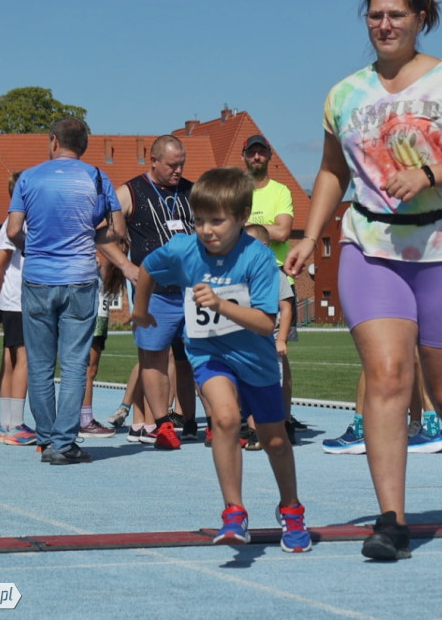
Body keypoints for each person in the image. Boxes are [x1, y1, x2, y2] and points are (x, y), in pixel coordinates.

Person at [284, 0, 442, 561]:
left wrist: (430, 174)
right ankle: (392, 521)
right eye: (375, 16)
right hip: (371, 246)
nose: (384, 25)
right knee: (386, 376)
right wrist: (310, 235)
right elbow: (333, 170)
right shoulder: (344, 94)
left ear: (419, 19)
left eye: (396, 16)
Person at [131, 167, 311, 553]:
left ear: (242, 217)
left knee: (275, 439)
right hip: (209, 352)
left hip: (255, 358)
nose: (207, 230)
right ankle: (234, 511)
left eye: (217, 221)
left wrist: (222, 304)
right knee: (226, 418)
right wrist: (141, 309)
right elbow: (147, 268)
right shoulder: (184, 249)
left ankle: (291, 509)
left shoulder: (258, 258)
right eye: (199, 221)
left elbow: (265, 323)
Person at [7, 117, 125, 465]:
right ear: (83, 146)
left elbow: (14, 230)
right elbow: (116, 229)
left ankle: (46, 440)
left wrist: (34, 247)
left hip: (39, 278)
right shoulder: (97, 177)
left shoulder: (28, 177)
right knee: (74, 364)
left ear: (53, 141)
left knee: (40, 364)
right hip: (79, 278)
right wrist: (87, 234)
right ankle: (63, 442)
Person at [102, 135, 198, 449]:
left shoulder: (192, 191)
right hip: (154, 292)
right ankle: (163, 425)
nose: (178, 170)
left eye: (182, 163)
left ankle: (197, 423)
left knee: (198, 358)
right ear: (153, 160)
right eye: (172, 164)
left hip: (193, 290)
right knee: (154, 358)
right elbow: (102, 233)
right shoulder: (129, 192)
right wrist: (126, 267)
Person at [242, 135, 304, 438]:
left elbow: (283, 231)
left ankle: (285, 418)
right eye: (252, 152)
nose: (256, 157)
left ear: (268, 157)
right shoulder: (237, 192)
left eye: (261, 152)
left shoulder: (280, 191)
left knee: (280, 353)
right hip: (240, 280)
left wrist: (249, 231)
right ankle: (250, 419)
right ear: (244, 157)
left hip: (276, 274)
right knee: (243, 353)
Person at [0, 171, 37, 446]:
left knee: (9, 360)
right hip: (18, 300)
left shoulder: (22, 222)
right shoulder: (15, 224)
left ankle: (7, 423)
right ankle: (15, 424)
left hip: (14, 300)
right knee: (24, 359)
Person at [79, 249, 120, 439]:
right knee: (88, 368)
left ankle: (83, 417)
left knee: (92, 369)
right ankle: (84, 420)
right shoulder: (93, 250)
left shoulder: (110, 263)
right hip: (91, 313)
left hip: (100, 313)